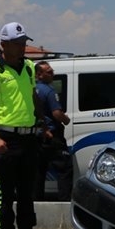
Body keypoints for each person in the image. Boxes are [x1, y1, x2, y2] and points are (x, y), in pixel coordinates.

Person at [0, 22, 50, 229]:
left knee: (27, 190)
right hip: (6, 139)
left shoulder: (29, 67)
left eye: (23, 43)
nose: (22, 48)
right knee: (6, 193)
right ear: (4, 44)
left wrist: (42, 122)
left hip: (29, 138)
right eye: (17, 44)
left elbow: (32, 96)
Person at [34, 61, 72, 201]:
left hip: (36, 137)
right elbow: (56, 113)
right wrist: (66, 120)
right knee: (65, 168)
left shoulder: (31, 90)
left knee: (38, 172)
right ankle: (64, 202)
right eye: (49, 72)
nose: (53, 74)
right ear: (39, 75)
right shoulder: (49, 91)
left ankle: (36, 203)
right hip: (51, 136)